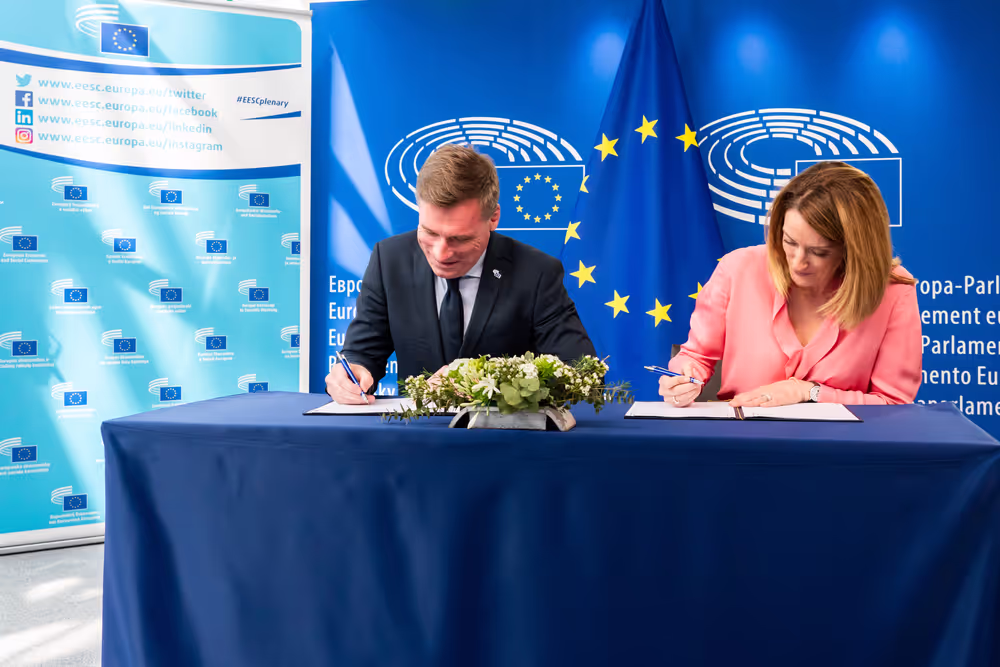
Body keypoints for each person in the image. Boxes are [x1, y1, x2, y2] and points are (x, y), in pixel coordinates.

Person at [326, 144, 596, 403]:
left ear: (493, 218)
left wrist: (486, 377)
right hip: (413, 440)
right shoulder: (389, 260)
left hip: (509, 441)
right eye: (430, 233)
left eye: (460, 239)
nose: (442, 253)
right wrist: (352, 371)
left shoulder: (537, 272)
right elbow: (363, 351)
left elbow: (580, 370)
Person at [660, 161, 921, 407]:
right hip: (743, 445)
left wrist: (807, 392)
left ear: (855, 250)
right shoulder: (737, 269)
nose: (797, 263)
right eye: (789, 242)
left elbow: (893, 404)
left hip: (843, 451)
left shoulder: (893, 290)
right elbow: (695, 357)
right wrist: (684, 379)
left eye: (819, 252)